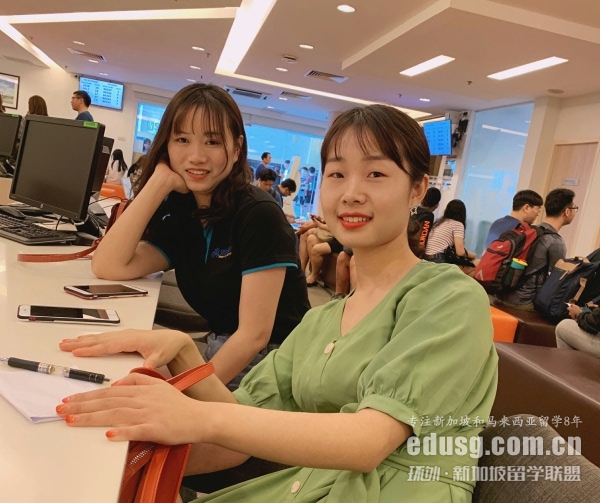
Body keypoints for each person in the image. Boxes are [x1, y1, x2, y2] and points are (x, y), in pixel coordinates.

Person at [57, 104, 497, 502]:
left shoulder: (449, 298)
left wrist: (195, 417)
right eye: (337, 174)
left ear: (418, 189)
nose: (351, 193)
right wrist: (184, 353)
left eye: (376, 174)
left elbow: (367, 442)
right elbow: (241, 422)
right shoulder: (324, 318)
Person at [78, 83, 309, 390]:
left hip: (274, 363)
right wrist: (159, 182)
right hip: (220, 347)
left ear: (237, 148)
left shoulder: (258, 214)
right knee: (110, 379)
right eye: (182, 140)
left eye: (212, 142)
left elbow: (254, 335)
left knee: (132, 402)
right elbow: (108, 266)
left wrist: (183, 393)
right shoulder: (185, 212)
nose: (196, 156)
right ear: (166, 146)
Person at [498, 188, 577, 310]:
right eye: (575, 208)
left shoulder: (528, 230)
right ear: (567, 212)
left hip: (503, 294)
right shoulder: (556, 241)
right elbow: (556, 281)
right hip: (524, 303)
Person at [424, 199, 477, 267]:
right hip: (438, 258)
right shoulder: (457, 224)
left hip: (426, 257)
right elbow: (460, 252)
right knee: (477, 263)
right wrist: (473, 255)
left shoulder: (439, 222)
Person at [414, 186, 441, 255]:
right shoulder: (428, 215)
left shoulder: (414, 209)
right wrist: (420, 254)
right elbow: (423, 236)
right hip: (414, 250)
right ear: (436, 205)